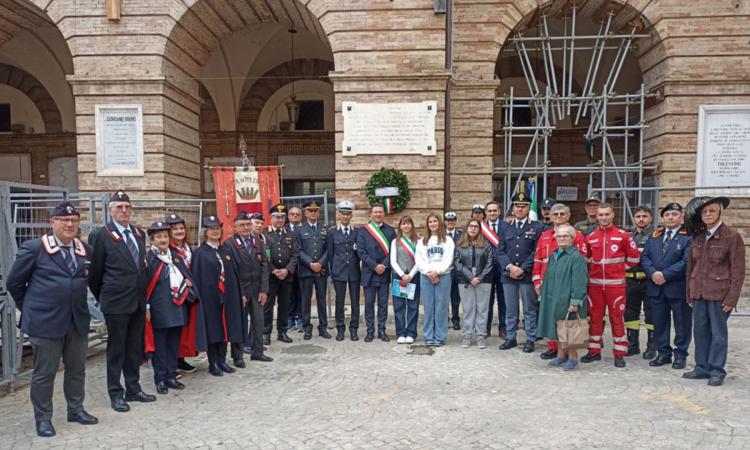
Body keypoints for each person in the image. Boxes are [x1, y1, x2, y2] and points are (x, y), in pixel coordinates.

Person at [6, 202, 98, 437]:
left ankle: (75, 409)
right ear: (52, 222)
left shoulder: (84, 249)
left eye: (74, 220)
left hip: (76, 320)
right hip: (44, 321)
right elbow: (14, 283)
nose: (69, 224)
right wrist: (29, 308)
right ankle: (43, 418)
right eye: (64, 220)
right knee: (44, 373)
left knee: (77, 369)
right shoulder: (35, 248)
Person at [88, 191, 155, 413]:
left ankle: (133, 388)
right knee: (116, 349)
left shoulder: (138, 233)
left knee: (134, 348)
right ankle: (115, 393)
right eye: (119, 207)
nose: (123, 211)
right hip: (115, 302)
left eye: (127, 207)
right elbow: (95, 273)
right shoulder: (101, 235)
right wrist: (104, 297)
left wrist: (144, 300)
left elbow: (141, 268)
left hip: (137, 300)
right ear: (110, 210)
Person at [683, 196, 745, 386]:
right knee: (700, 331)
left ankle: (717, 370)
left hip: (719, 294)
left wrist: (732, 298)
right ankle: (701, 368)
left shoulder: (732, 236)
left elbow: (738, 271)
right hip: (699, 293)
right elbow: (691, 268)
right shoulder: (698, 237)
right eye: (705, 212)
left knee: (718, 334)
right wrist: (689, 292)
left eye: (712, 211)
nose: (708, 214)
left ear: (720, 213)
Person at [581, 203, 640, 368]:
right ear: (597, 216)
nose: (603, 217)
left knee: (617, 319)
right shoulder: (591, 237)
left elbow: (634, 258)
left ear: (613, 214)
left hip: (616, 286)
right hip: (595, 286)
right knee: (595, 319)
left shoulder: (624, 236)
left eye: (606, 214)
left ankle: (619, 353)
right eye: (600, 215)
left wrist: (619, 270)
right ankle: (594, 351)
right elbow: (587, 260)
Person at [531, 203, 588, 360]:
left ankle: (571, 356)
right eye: (555, 214)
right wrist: (538, 282)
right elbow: (537, 259)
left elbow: (580, 273)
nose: (558, 217)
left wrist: (576, 299)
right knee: (553, 320)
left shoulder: (577, 237)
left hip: (567, 288)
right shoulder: (545, 237)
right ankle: (556, 351)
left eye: (562, 214)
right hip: (549, 287)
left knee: (567, 323)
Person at [191, 216, 244, 377]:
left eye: (217, 228)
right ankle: (213, 363)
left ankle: (222, 360)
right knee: (212, 330)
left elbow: (234, 275)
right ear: (205, 232)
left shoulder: (225, 250)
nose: (215, 231)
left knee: (226, 328)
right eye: (211, 228)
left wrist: (238, 294)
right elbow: (197, 277)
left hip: (227, 296)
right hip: (209, 298)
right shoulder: (200, 253)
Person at [640, 203, 691, 370]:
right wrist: (653, 273)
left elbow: (687, 261)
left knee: (682, 323)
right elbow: (645, 258)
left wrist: (665, 275)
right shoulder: (655, 236)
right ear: (663, 218)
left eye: (674, 214)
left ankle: (681, 355)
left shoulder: (687, 237)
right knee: (659, 322)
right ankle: (663, 353)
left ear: (681, 217)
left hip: (677, 287)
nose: (670, 217)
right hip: (656, 287)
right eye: (667, 214)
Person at [145, 221, 192, 395]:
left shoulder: (175, 256)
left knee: (174, 344)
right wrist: (147, 307)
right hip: (159, 308)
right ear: (152, 239)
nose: (163, 239)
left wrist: (187, 283)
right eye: (159, 237)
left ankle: (172, 375)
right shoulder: (150, 259)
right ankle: (160, 378)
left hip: (177, 306)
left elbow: (186, 274)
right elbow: (145, 286)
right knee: (160, 346)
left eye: (165, 236)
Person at [496, 191, 544, 352]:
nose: (520, 209)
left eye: (523, 206)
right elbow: (500, 251)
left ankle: (530, 338)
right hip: (509, 274)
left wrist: (522, 268)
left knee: (529, 309)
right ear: (513, 207)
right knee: (511, 309)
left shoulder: (537, 227)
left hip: (526, 274)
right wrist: (510, 267)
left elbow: (537, 251)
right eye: (517, 206)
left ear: (529, 208)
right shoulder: (505, 227)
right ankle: (511, 337)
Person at [224, 211, 272, 363]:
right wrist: (239, 292)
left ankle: (257, 352)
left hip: (257, 289)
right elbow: (231, 271)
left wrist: (264, 289)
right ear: (235, 227)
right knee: (240, 323)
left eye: (247, 224)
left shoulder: (257, 241)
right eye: (242, 225)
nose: (245, 228)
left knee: (258, 321)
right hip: (241, 291)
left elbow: (264, 265)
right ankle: (237, 356)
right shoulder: (229, 244)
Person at [166, 213, 202, 375]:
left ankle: (180, 359)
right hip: (176, 296)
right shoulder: (167, 250)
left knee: (185, 329)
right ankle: (171, 363)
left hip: (190, 295)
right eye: (175, 229)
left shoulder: (188, 249)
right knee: (175, 330)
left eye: (181, 228)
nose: (179, 231)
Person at [356, 203, 397, 342]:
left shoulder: (391, 231)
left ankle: (382, 331)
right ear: (371, 214)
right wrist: (374, 266)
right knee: (369, 304)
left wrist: (384, 265)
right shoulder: (363, 231)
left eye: (380, 212)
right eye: (375, 212)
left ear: (383, 214)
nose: (378, 214)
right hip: (369, 273)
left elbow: (393, 252)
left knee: (383, 304)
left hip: (384, 273)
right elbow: (361, 251)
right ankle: (370, 331)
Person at [453, 219, 494, 349]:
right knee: (468, 309)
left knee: (482, 309)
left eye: (476, 227)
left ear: (479, 229)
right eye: (470, 226)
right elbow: (457, 262)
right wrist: (470, 277)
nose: (473, 229)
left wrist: (480, 277)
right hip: (465, 281)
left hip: (484, 280)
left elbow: (490, 261)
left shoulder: (486, 244)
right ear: (466, 228)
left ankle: (481, 336)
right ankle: (466, 336)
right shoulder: (460, 244)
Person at [415, 213, 455, 347]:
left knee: (441, 307)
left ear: (440, 223)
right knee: (428, 307)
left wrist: (437, 272)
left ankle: (440, 336)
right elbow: (419, 260)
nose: (433, 224)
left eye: (435, 221)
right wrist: (429, 273)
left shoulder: (448, 240)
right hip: (426, 277)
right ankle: (428, 336)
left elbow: (448, 259)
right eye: (430, 221)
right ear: (427, 224)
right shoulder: (422, 241)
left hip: (443, 276)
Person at [263, 204, 299, 344]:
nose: (280, 220)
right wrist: (273, 270)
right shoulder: (265, 234)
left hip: (286, 276)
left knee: (284, 305)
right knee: (268, 306)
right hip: (271, 276)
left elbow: (295, 255)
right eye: (277, 217)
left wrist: (287, 270)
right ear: (271, 218)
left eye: (282, 217)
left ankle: (282, 332)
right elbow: (263, 256)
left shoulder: (291, 234)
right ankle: (266, 333)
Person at [327, 200, 361, 341]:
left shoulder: (358, 232)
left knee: (355, 302)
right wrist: (331, 271)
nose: (346, 217)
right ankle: (340, 329)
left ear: (351, 215)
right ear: (339, 215)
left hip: (354, 272)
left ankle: (354, 329)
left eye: (348, 214)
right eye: (343, 214)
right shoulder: (332, 232)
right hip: (339, 272)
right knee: (339, 302)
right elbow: (330, 253)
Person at [625, 206, 656, 358]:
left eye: (644, 216)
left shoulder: (656, 235)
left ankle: (652, 346)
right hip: (630, 279)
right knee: (630, 314)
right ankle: (632, 345)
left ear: (650, 218)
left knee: (651, 314)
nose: (641, 219)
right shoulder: (628, 236)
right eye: (638, 216)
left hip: (648, 280)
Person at [297, 200, 331, 340]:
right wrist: (311, 263)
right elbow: (298, 250)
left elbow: (329, 249)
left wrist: (321, 263)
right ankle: (307, 328)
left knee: (322, 299)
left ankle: (323, 328)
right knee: (305, 300)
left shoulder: (325, 229)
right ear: (305, 213)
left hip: (321, 271)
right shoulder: (299, 230)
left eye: (316, 210)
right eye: (310, 211)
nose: (313, 213)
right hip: (306, 270)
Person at [390, 215, 420, 344]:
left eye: (408, 223)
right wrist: (402, 275)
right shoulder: (395, 241)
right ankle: (401, 332)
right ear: (400, 226)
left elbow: (420, 261)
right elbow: (393, 260)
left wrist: (410, 275)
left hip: (413, 276)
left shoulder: (418, 241)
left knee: (413, 307)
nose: (406, 226)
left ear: (412, 225)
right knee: (399, 306)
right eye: (403, 224)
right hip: (399, 276)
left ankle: (411, 333)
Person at [482, 201, 505, 339]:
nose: (492, 213)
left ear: (499, 212)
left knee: (503, 301)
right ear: (486, 212)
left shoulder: (507, 226)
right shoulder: (481, 228)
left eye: (494, 210)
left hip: (503, 269)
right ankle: (486, 328)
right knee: (486, 301)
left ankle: (503, 329)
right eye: (489, 211)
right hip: (487, 270)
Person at [286, 206, 304, 333]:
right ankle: (290, 319)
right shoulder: (284, 230)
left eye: (298, 214)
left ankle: (301, 319)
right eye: (293, 214)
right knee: (289, 295)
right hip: (289, 268)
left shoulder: (306, 228)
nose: (295, 216)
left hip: (304, 268)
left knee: (302, 295)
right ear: (288, 216)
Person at [444, 211, 462, 330]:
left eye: (452, 220)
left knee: (456, 298)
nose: (450, 222)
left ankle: (456, 319)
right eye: (448, 221)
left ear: (455, 222)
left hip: (457, 271)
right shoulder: (441, 236)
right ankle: (444, 319)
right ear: (445, 222)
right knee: (444, 297)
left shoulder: (461, 235)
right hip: (444, 271)